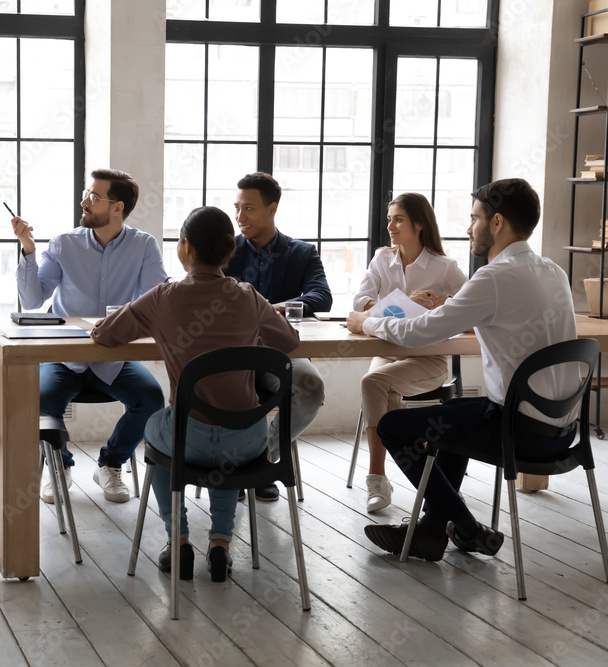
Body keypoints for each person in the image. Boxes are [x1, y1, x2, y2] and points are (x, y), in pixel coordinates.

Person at [347, 178, 580, 561]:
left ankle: (467, 527)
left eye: (474, 219)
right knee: (450, 417)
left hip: (516, 431)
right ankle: (432, 529)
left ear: (498, 222)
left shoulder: (494, 278)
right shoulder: (553, 271)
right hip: (562, 432)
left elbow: (420, 332)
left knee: (394, 427)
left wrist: (365, 322)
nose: (468, 228)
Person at [91, 206, 299, 581]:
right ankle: (219, 542)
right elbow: (288, 340)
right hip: (248, 440)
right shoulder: (249, 296)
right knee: (228, 446)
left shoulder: (163, 297)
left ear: (184, 247)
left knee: (155, 428)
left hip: (188, 439)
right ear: (228, 252)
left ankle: (180, 540)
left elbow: (106, 335)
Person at [11, 168, 167, 504]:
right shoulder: (63, 244)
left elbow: (157, 298)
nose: (84, 202)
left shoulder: (143, 246)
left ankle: (110, 464)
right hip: (65, 359)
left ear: (117, 208)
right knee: (40, 401)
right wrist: (27, 249)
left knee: (151, 400)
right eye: (87, 193)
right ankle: (59, 465)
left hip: (114, 359)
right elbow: (33, 300)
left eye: (94, 197)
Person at [353, 193, 466, 513]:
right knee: (376, 382)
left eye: (398, 219)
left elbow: (474, 309)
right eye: (389, 218)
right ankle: (419, 466)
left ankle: (379, 476)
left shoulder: (444, 268)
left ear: (419, 223)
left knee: (373, 384)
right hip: (388, 352)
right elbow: (360, 304)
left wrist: (443, 305)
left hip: (429, 359)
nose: (390, 225)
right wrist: (404, 301)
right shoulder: (381, 259)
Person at [224, 172, 329, 501]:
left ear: (272, 209)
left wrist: (274, 309)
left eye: (249, 209)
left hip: (280, 353)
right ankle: (238, 467)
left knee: (312, 389)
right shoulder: (224, 250)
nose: (240, 217)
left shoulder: (301, 252)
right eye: (237, 208)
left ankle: (259, 461)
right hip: (230, 353)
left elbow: (321, 297)